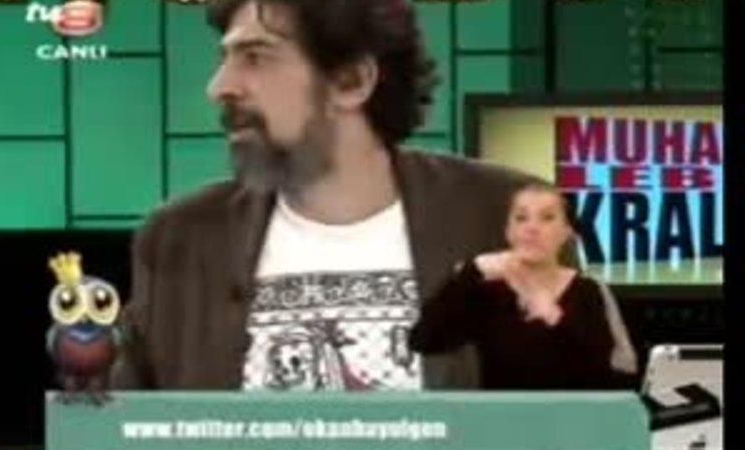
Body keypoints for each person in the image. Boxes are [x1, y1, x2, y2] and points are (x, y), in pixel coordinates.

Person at [110, 0, 635, 390]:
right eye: (226, 58)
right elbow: (119, 424)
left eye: (255, 57)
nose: (220, 86)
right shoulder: (179, 239)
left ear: (352, 80)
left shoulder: (505, 215)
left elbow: (584, 416)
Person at [409, 182, 634, 389]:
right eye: (521, 218)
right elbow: (424, 340)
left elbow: (604, 380)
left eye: (547, 218)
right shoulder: (488, 292)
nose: (532, 228)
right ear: (509, 231)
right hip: (503, 417)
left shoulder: (588, 291)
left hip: (571, 418)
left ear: (566, 232)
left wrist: (555, 318)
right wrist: (473, 270)